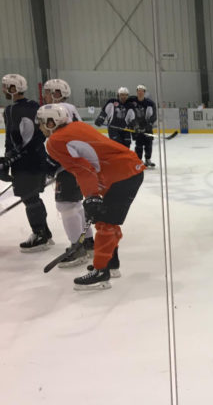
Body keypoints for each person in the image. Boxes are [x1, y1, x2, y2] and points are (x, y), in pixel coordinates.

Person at [36, 104, 145, 290]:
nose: (39, 127)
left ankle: (101, 272)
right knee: (108, 221)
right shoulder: (76, 126)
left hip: (120, 175)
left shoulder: (54, 141)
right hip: (128, 169)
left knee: (105, 223)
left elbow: (83, 169)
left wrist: (91, 196)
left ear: (51, 122)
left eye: (41, 122)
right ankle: (111, 264)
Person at [41, 78, 94, 266]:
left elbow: (63, 141)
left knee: (66, 205)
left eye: (48, 92)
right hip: (79, 164)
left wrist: (52, 165)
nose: (45, 96)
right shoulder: (71, 108)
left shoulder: (57, 110)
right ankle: (88, 242)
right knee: (76, 204)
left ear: (57, 93)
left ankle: (76, 249)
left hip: (68, 165)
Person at [1, 73, 53, 251]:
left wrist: (10, 159)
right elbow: (40, 136)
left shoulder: (11, 110)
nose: (3, 89)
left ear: (13, 89)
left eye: (5, 86)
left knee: (29, 198)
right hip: (37, 158)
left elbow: (13, 139)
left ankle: (40, 234)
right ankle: (44, 232)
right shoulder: (35, 106)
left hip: (25, 163)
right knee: (33, 196)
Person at [129, 84, 158, 168]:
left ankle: (148, 159)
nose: (140, 92)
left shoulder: (150, 103)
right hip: (136, 127)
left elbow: (154, 116)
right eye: (139, 91)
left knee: (148, 144)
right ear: (136, 92)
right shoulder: (131, 100)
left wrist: (149, 124)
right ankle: (139, 160)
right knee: (139, 144)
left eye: (142, 91)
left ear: (144, 92)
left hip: (147, 127)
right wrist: (133, 125)